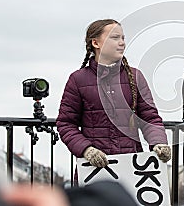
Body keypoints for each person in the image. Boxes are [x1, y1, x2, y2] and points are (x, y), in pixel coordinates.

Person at [56, 19, 171, 183]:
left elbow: (149, 118)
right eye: (115, 38)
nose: (122, 43)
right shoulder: (78, 80)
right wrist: (86, 150)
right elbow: (66, 123)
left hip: (132, 168)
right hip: (92, 169)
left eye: (123, 38)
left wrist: (158, 142)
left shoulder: (136, 77)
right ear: (95, 43)